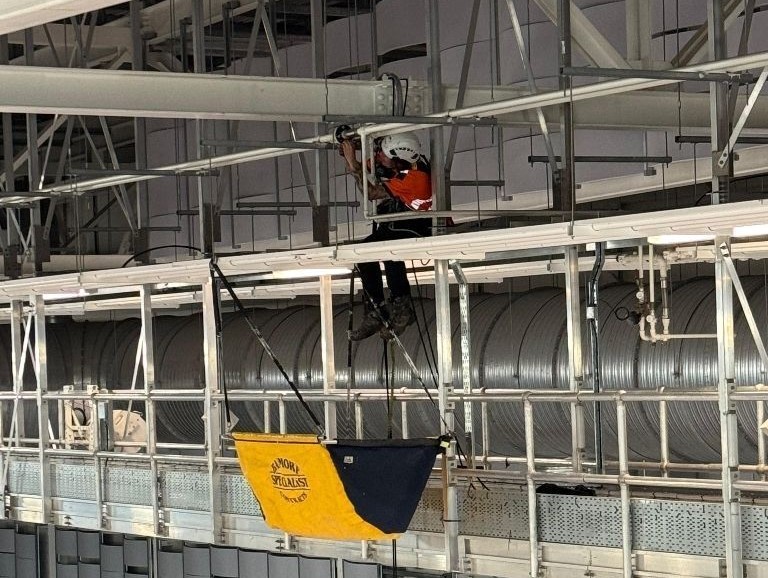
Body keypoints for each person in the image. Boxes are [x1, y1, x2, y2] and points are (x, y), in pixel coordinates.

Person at [340, 132, 432, 340]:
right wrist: (354, 153)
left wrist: (353, 163)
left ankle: (403, 307)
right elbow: (368, 168)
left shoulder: (416, 179)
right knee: (363, 255)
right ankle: (376, 309)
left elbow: (371, 193)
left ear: (399, 160)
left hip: (416, 225)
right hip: (397, 224)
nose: (379, 156)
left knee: (391, 253)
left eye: (383, 154)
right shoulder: (404, 166)